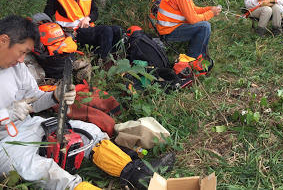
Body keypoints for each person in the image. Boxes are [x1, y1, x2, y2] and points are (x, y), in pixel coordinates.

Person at [0, 15, 174, 190]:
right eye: (22, 52)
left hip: (26, 125)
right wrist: (7, 113)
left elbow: (34, 101)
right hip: (4, 144)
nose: (22, 59)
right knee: (46, 172)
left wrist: (55, 96)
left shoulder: (17, 68)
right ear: (4, 41)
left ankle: (137, 174)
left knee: (88, 132)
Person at [44, 0, 123, 60]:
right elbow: (46, 17)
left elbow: (95, 11)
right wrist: (61, 32)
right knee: (105, 31)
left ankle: (114, 57)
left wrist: (88, 18)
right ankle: (103, 62)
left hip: (88, 28)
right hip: (72, 34)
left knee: (117, 30)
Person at [156, 0, 221, 58]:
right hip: (168, 32)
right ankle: (193, 59)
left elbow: (193, 9)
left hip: (170, 28)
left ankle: (201, 56)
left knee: (203, 25)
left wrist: (208, 9)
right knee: (204, 26)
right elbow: (192, 19)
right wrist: (211, 13)